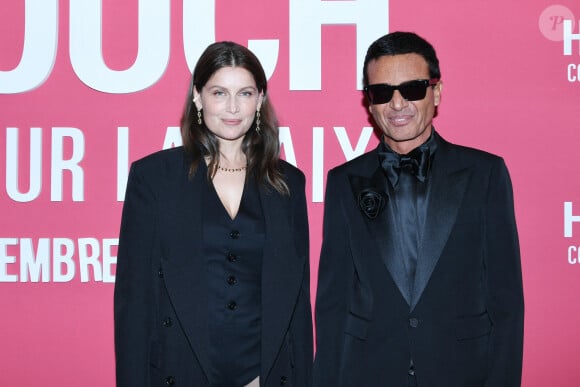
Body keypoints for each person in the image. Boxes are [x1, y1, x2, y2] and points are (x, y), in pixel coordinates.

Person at [313, 32, 524, 387]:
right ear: (369, 102)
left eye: (412, 89)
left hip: (462, 373)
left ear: (436, 92)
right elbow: (334, 304)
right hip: (368, 375)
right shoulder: (344, 181)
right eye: (382, 92)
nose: (397, 104)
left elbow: (506, 302)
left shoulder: (484, 174)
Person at [114, 41, 312, 387]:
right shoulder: (154, 179)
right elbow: (134, 302)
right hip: (181, 370)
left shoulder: (288, 183)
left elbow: (296, 304)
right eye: (219, 92)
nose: (233, 107)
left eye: (245, 93)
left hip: (263, 374)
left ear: (260, 100)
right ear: (197, 97)